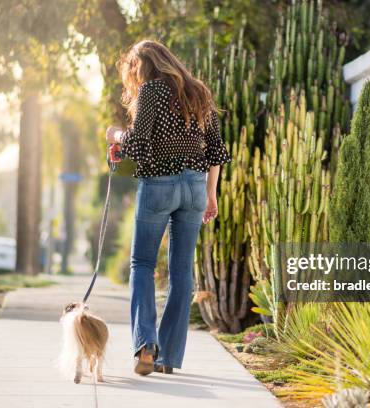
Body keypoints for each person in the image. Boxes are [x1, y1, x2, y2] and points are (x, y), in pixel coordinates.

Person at [106, 39, 231, 376]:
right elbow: (217, 150)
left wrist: (115, 135)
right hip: (194, 186)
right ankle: (168, 358)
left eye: (133, 69)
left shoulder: (151, 91)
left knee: (142, 264)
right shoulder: (199, 91)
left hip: (159, 184)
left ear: (142, 66)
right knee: (181, 273)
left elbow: (138, 142)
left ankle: (146, 345)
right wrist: (211, 194)